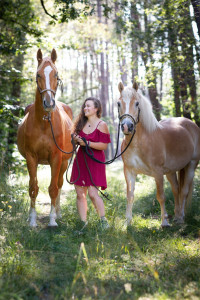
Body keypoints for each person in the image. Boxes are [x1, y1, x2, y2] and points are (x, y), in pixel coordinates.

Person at [70, 97, 111, 233]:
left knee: (93, 193)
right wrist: (76, 140)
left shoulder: (101, 125)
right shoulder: (81, 123)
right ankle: (83, 224)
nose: (85, 108)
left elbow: (104, 145)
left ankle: (103, 221)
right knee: (80, 193)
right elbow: (76, 141)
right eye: (84, 106)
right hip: (81, 160)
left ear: (96, 109)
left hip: (95, 161)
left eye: (88, 106)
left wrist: (87, 143)